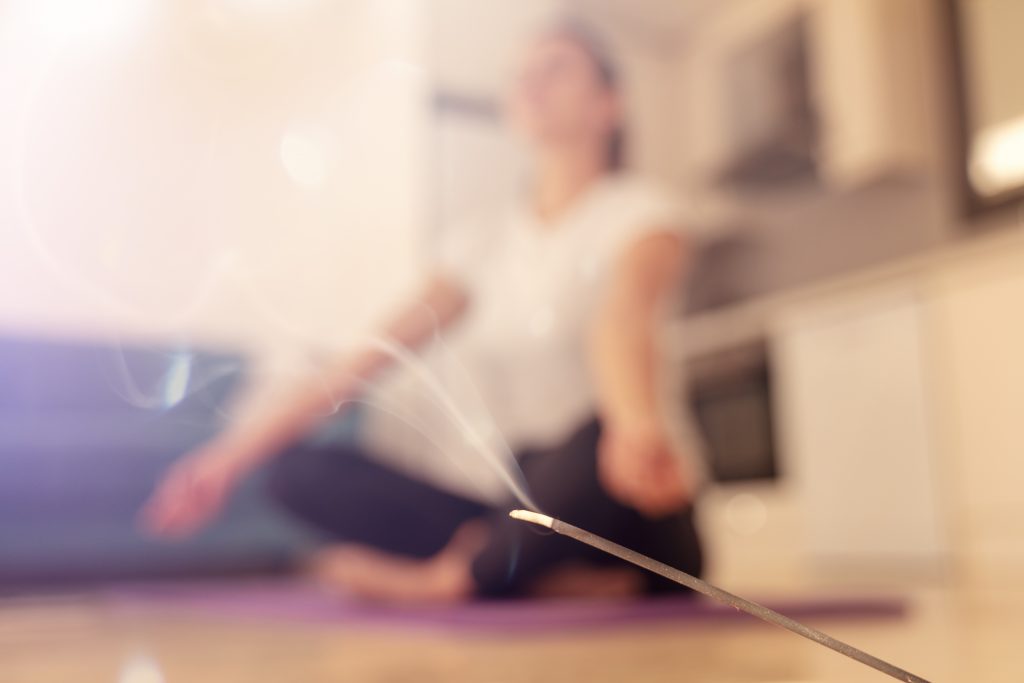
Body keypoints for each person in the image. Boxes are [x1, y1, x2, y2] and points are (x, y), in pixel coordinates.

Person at [142, 20, 704, 603]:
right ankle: (544, 578)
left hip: (633, 498)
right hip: (521, 506)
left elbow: (622, 320)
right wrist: (226, 460)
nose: (532, 85)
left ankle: (453, 579)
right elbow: (361, 362)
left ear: (609, 103)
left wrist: (635, 424)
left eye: (556, 68)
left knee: (588, 438)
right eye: (521, 75)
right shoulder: (481, 244)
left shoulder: (643, 213)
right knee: (295, 472)